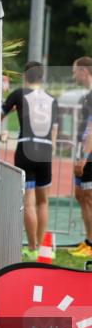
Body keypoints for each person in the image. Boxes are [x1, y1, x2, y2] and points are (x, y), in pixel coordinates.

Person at [0, 61, 58, 260]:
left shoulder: (18, 94)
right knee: (43, 202)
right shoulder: (51, 99)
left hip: (25, 148)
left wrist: (2, 134)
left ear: (26, 76)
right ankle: (39, 247)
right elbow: (55, 129)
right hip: (45, 150)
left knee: (29, 202)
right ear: (41, 78)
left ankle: (32, 247)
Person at [70, 56, 92, 258]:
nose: (73, 74)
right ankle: (88, 240)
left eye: (75, 70)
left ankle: (91, 243)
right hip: (82, 150)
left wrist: (85, 156)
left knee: (88, 197)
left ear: (84, 71)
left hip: (89, 154)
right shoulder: (86, 96)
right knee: (81, 196)